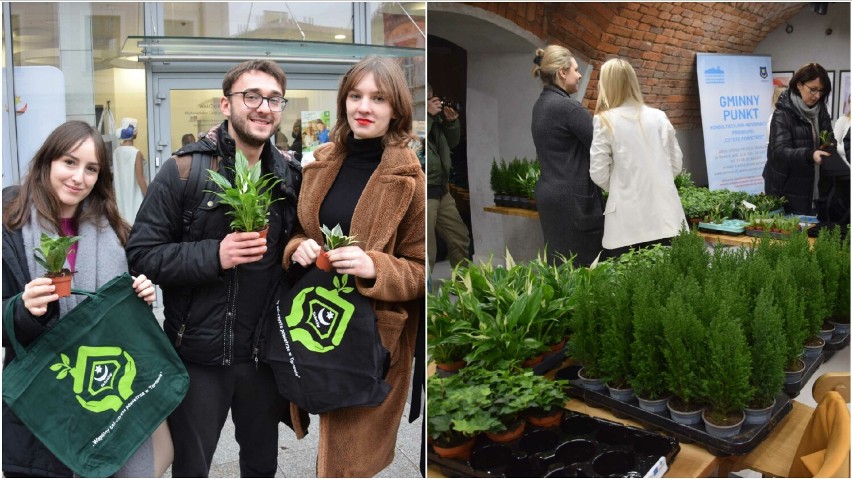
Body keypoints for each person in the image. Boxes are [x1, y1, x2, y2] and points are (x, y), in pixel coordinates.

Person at [125, 60, 303, 477]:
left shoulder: (291, 178)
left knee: (261, 466)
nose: (263, 107)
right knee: (192, 466)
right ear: (226, 105)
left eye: (274, 99)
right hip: (197, 358)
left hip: (263, 358)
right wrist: (214, 255)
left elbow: (294, 252)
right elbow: (143, 254)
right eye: (251, 96)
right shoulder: (183, 171)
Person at [284, 55, 425, 477]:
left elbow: (420, 269)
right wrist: (298, 249)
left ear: (396, 108)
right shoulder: (321, 162)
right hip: (314, 322)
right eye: (356, 95)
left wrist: (373, 266)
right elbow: (296, 231)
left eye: (378, 98)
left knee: (345, 462)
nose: (364, 107)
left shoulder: (410, 178)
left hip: (369, 336)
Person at [2, 120, 160, 477]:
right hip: (40, 407)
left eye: (91, 169)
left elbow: (126, 319)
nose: (79, 177)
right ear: (47, 162)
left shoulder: (116, 230)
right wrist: (24, 308)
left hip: (108, 392)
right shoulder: (10, 227)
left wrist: (142, 297)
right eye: (69, 162)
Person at [589, 58, 687, 257]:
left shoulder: (604, 120)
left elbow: (598, 173)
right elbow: (676, 164)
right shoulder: (659, 116)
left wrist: (623, 187)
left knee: (629, 283)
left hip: (626, 223)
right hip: (666, 217)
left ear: (607, 85)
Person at [530, 45, 604, 267]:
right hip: (575, 201)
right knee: (585, 271)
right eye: (575, 69)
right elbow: (602, 147)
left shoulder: (541, 105)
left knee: (561, 270)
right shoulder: (568, 108)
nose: (579, 74)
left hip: (552, 197)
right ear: (562, 72)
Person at [763, 62, 834, 215]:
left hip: (815, 186)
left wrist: (828, 148)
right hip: (787, 189)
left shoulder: (820, 110)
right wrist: (810, 154)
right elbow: (779, 151)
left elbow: (829, 139)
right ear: (799, 84)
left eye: (821, 91)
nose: (817, 96)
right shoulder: (783, 113)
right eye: (813, 90)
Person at [426, 84, 470, 270]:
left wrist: (451, 123)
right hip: (424, 192)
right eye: (427, 97)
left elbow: (451, 144)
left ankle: (463, 285)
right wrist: (426, 116)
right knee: (427, 249)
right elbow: (414, 144)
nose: (431, 99)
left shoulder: (435, 120)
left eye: (431, 95)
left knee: (459, 237)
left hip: (442, 190)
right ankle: (425, 294)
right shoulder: (412, 117)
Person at [112, 118, 147, 224]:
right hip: (134, 198)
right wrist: (150, 195)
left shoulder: (116, 152)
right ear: (135, 133)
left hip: (120, 197)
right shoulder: (136, 153)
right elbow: (140, 179)